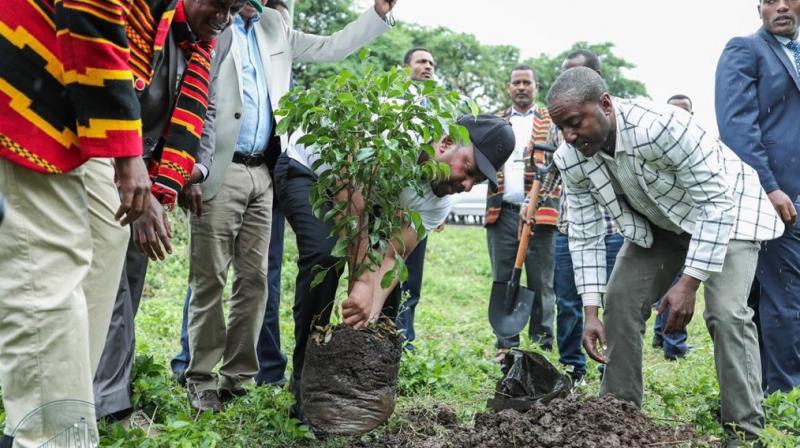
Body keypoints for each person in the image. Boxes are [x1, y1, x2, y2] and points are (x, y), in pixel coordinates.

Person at [0, 0, 243, 443]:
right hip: (33, 83)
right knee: (47, 272)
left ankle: (61, 411)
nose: (225, 17)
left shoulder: (201, 40)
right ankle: (51, 435)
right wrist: (128, 156)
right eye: (221, 4)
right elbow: (92, 13)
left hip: (80, 102)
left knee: (102, 247)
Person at [180, 0, 398, 413]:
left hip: (263, 170)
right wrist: (192, 164)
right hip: (219, 169)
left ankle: (237, 377)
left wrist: (378, 14)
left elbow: (332, 46)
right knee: (209, 278)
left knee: (255, 281)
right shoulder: (213, 22)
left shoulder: (273, 26)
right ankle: (201, 378)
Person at [549, 67, 783, 446]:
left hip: (728, 213)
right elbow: (586, 234)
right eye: (562, 128)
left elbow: (715, 204)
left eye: (575, 123)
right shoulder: (571, 157)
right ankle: (617, 417)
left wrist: (688, 284)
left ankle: (744, 431)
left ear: (605, 104)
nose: (570, 136)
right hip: (662, 222)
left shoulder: (661, 126)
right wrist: (591, 311)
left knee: (726, 313)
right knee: (620, 300)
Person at [281, 114, 515, 420]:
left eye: (478, 180)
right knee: (324, 258)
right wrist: (361, 283)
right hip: (312, 171)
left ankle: (360, 393)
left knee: (385, 299)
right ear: (446, 143)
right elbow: (350, 199)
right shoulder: (394, 135)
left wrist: (368, 308)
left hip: (365, 200)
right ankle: (303, 383)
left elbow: (392, 256)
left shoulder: (439, 203)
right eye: (469, 170)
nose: (468, 186)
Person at [93, 0, 248, 422]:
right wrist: (134, 172)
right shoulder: (145, 11)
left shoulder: (220, 35)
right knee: (109, 283)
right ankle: (112, 407)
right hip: (106, 150)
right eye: (218, 5)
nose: (224, 18)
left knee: (130, 279)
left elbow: (205, 105)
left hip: (156, 167)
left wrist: (190, 171)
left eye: (234, 9)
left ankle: (104, 390)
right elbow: (113, 91)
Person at [715, 0, 800, 394]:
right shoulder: (745, 49)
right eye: (769, 0)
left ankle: (768, 387)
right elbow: (737, 129)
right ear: (759, 9)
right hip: (773, 198)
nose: (780, 6)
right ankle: (786, 394)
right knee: (785, 297)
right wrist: (769, 187)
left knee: (781, 296)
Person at [543, 49, 624, 385]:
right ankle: (572, 368)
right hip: (570, 224)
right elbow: (552, 170)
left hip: (614, 227)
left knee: (615, 302)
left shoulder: (614, 121)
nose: (570, 134)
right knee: (568, 301)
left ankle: (611, 368)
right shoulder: (560, 124)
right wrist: (534, 207)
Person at [486, 64, 560, 362]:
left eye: (526, 82)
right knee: (503, 276)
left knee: (541, 282)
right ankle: (506, 343)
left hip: (540, 213)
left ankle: (541, 345)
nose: (521, 87)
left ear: (536, 87)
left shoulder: (551, 122)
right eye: (516, 82)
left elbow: (558, 165)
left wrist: (538, 200)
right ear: (508, 87)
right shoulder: (496, 122)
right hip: (501, 210)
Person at [395, 47, 437, 351]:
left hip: (421, 204)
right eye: (422, 61)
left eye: (431, 63)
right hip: (391, 198)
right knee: (385, 265)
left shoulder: (437, 106)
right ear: (405, 67)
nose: (428, 67)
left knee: (412, 274)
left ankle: (404, 338)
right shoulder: (393, 100)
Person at [649, 94, 694, 361]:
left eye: (683, 112)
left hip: (687, 226)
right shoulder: (654, 146)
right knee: (671, 283)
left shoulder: (696, 145)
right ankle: (672, 343)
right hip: (661, 226)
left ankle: (665, 338)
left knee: (676, 282)